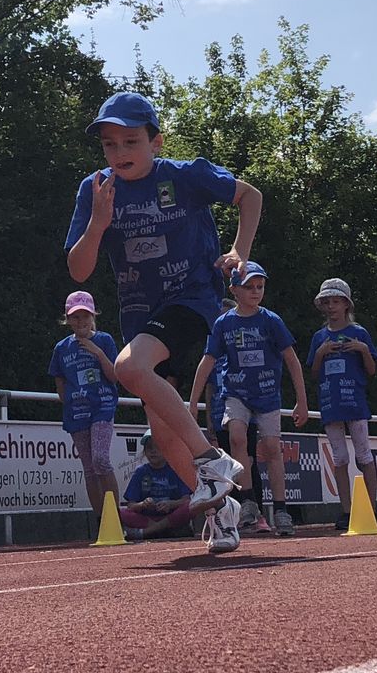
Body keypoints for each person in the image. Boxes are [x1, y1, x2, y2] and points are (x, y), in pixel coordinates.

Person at [66, 92, 254, 556]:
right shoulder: (96, 189)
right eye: (109, 144)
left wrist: (240, 251)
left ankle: (212, 461)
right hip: (140, 314)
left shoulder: (185, 176)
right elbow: (78, 271)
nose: (119, 152)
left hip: (192, 299)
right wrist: (99, 223)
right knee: (163, 430)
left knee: (127, 368)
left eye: (131, 141)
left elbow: (250, 196)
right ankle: (221, 510)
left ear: (156, 141)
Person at [191, 263, 308, 536]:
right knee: (236, 437)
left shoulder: (271, 320)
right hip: (236, 392)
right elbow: (207, 361)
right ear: (234, 290)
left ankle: (281, 509)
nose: (256, 292)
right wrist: (193, 402)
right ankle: (248, 501)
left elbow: (291, 360)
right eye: (249, 287)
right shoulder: (224, 323)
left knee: (271, 448)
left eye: (260, 286)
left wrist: (301, 400)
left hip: (267, 394)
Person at [308, 277, 377, 533]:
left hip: (355, 402)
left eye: (336, 302)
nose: (331, 307)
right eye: (327, 302)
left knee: (364, 454)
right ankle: (346, 510)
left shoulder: (359, 333)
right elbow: (314, 373)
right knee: (339, 457)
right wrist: (320, 354)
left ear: (346, 304)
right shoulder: (319, 337)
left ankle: (371, 508)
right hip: (331, 403)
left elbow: (372, 370)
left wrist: (362, 349)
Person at [49, 291, 123, 526]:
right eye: (75, 317)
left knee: (101, 459)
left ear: (93, 316)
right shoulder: (61, 348)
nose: (81, 321)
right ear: (68, 319)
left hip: (102, 407)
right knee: (89, 469)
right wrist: (68, 401)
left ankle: (116, 519)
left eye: (85, 316)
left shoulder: (104, 340)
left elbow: (114, 376)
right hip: (76, 412)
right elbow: (59, 380)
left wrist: (97, 352)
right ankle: (102, 523)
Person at [118, 434, 196, 539]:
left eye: (157, 447)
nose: (153, 451)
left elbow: (186, 500)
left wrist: (171, 504)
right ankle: (162, 529)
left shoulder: (176, 470)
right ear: (144, 452)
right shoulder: (140, 471)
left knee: (191, 506)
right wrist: (143, 504)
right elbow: (131, 506)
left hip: (170, 516)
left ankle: (147, 532)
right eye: (149, 448)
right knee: (121, 513)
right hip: (148, 518)